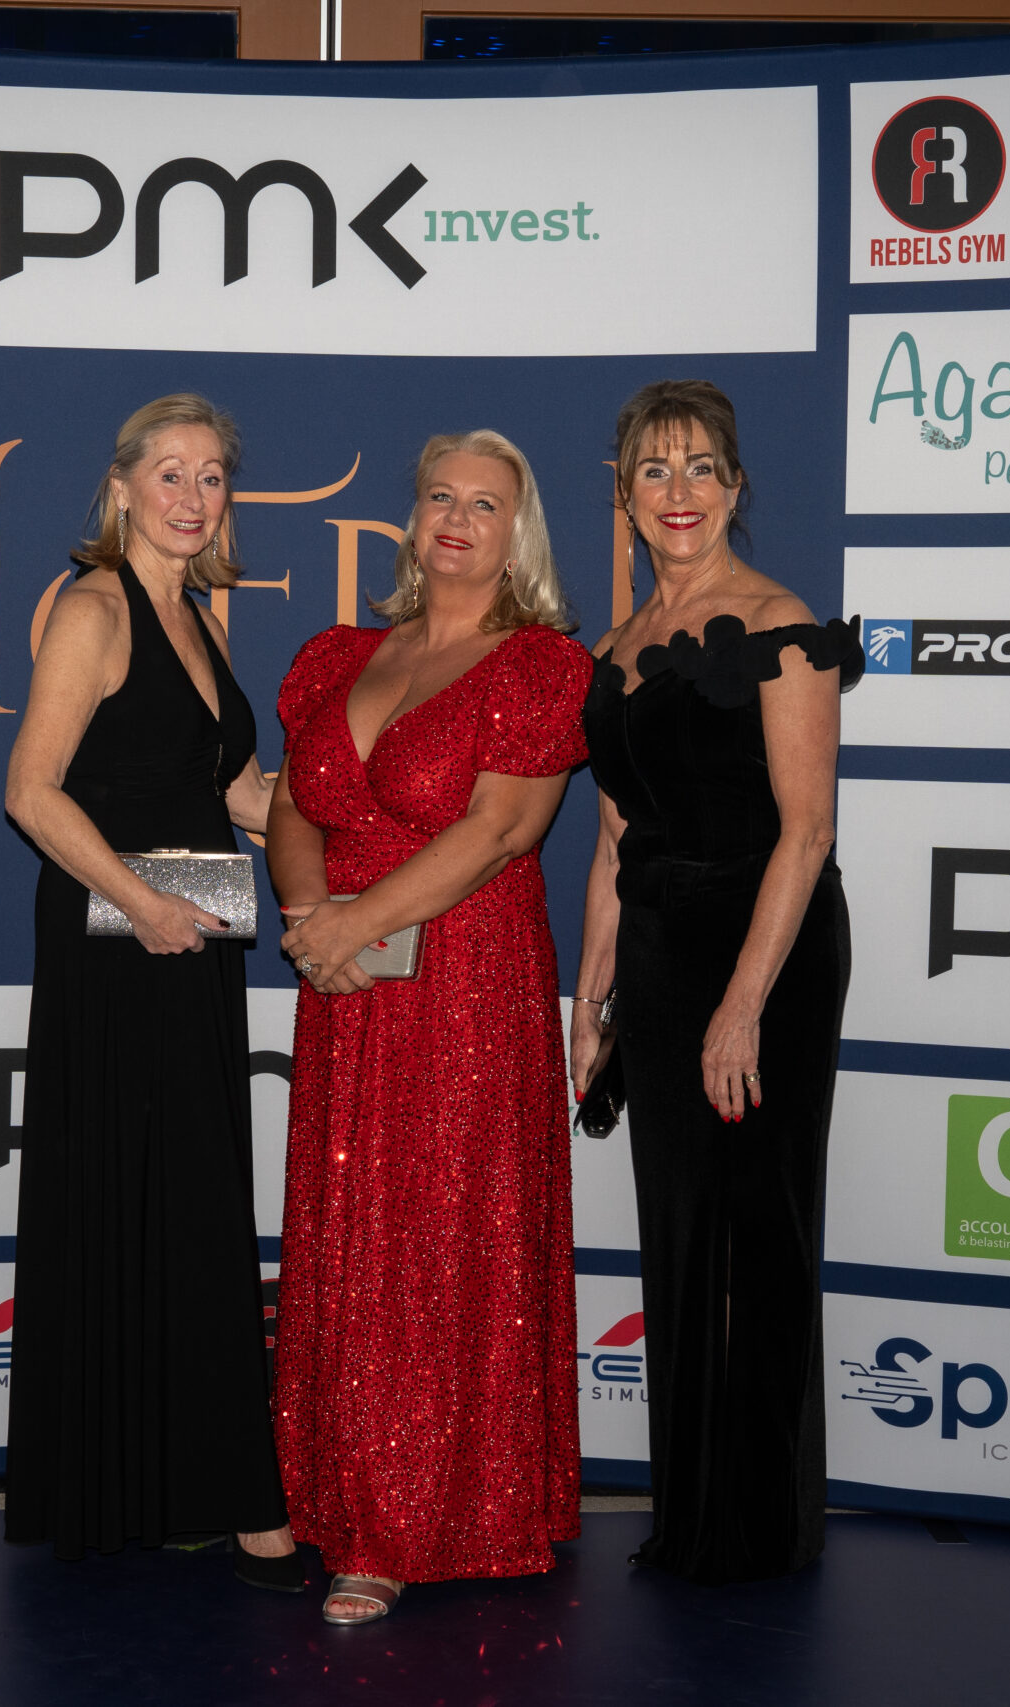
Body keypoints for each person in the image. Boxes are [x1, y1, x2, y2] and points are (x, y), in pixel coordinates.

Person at [268, 430, 592, 1626]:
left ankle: (404, 1524)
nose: (458, 518)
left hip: (464, 975)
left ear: (519, 533)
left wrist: (356, 923)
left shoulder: (542, 666)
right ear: (410, 520)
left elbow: (503, 832)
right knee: (350, 1228)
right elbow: (296, 803)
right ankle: (336, 1492)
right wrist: (308, 919)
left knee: (438, 1233)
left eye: (486, 504)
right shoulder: (338, 654)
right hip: (343, 976)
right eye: (440, 497)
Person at [2, 394, 301, 1590]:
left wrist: (382, 827)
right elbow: (31, 790)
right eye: (169, 473)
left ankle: (183, 1482)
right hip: (121, 946)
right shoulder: (94, 607)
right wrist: (141, 903)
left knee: (187, 1209)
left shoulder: (193, 615)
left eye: (212, 475)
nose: (192, 495)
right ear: (121, 485)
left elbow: (241, 796)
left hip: (190, 938)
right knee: (146, 1203)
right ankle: (235, 1505)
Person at [572, 380, 860, 1585]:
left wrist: (743, 1005)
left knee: (758, 1228)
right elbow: (612, 838)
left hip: (768, 953)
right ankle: (692, 1514)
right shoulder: (614, 650)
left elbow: (807, 831)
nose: (677, 491)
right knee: (681, 1229)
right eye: (654, 469)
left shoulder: (781, 624)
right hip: (657, 951)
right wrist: (591, 999)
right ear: (625, 496)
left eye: (700, 468)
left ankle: (758, 1522)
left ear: (735, 488)